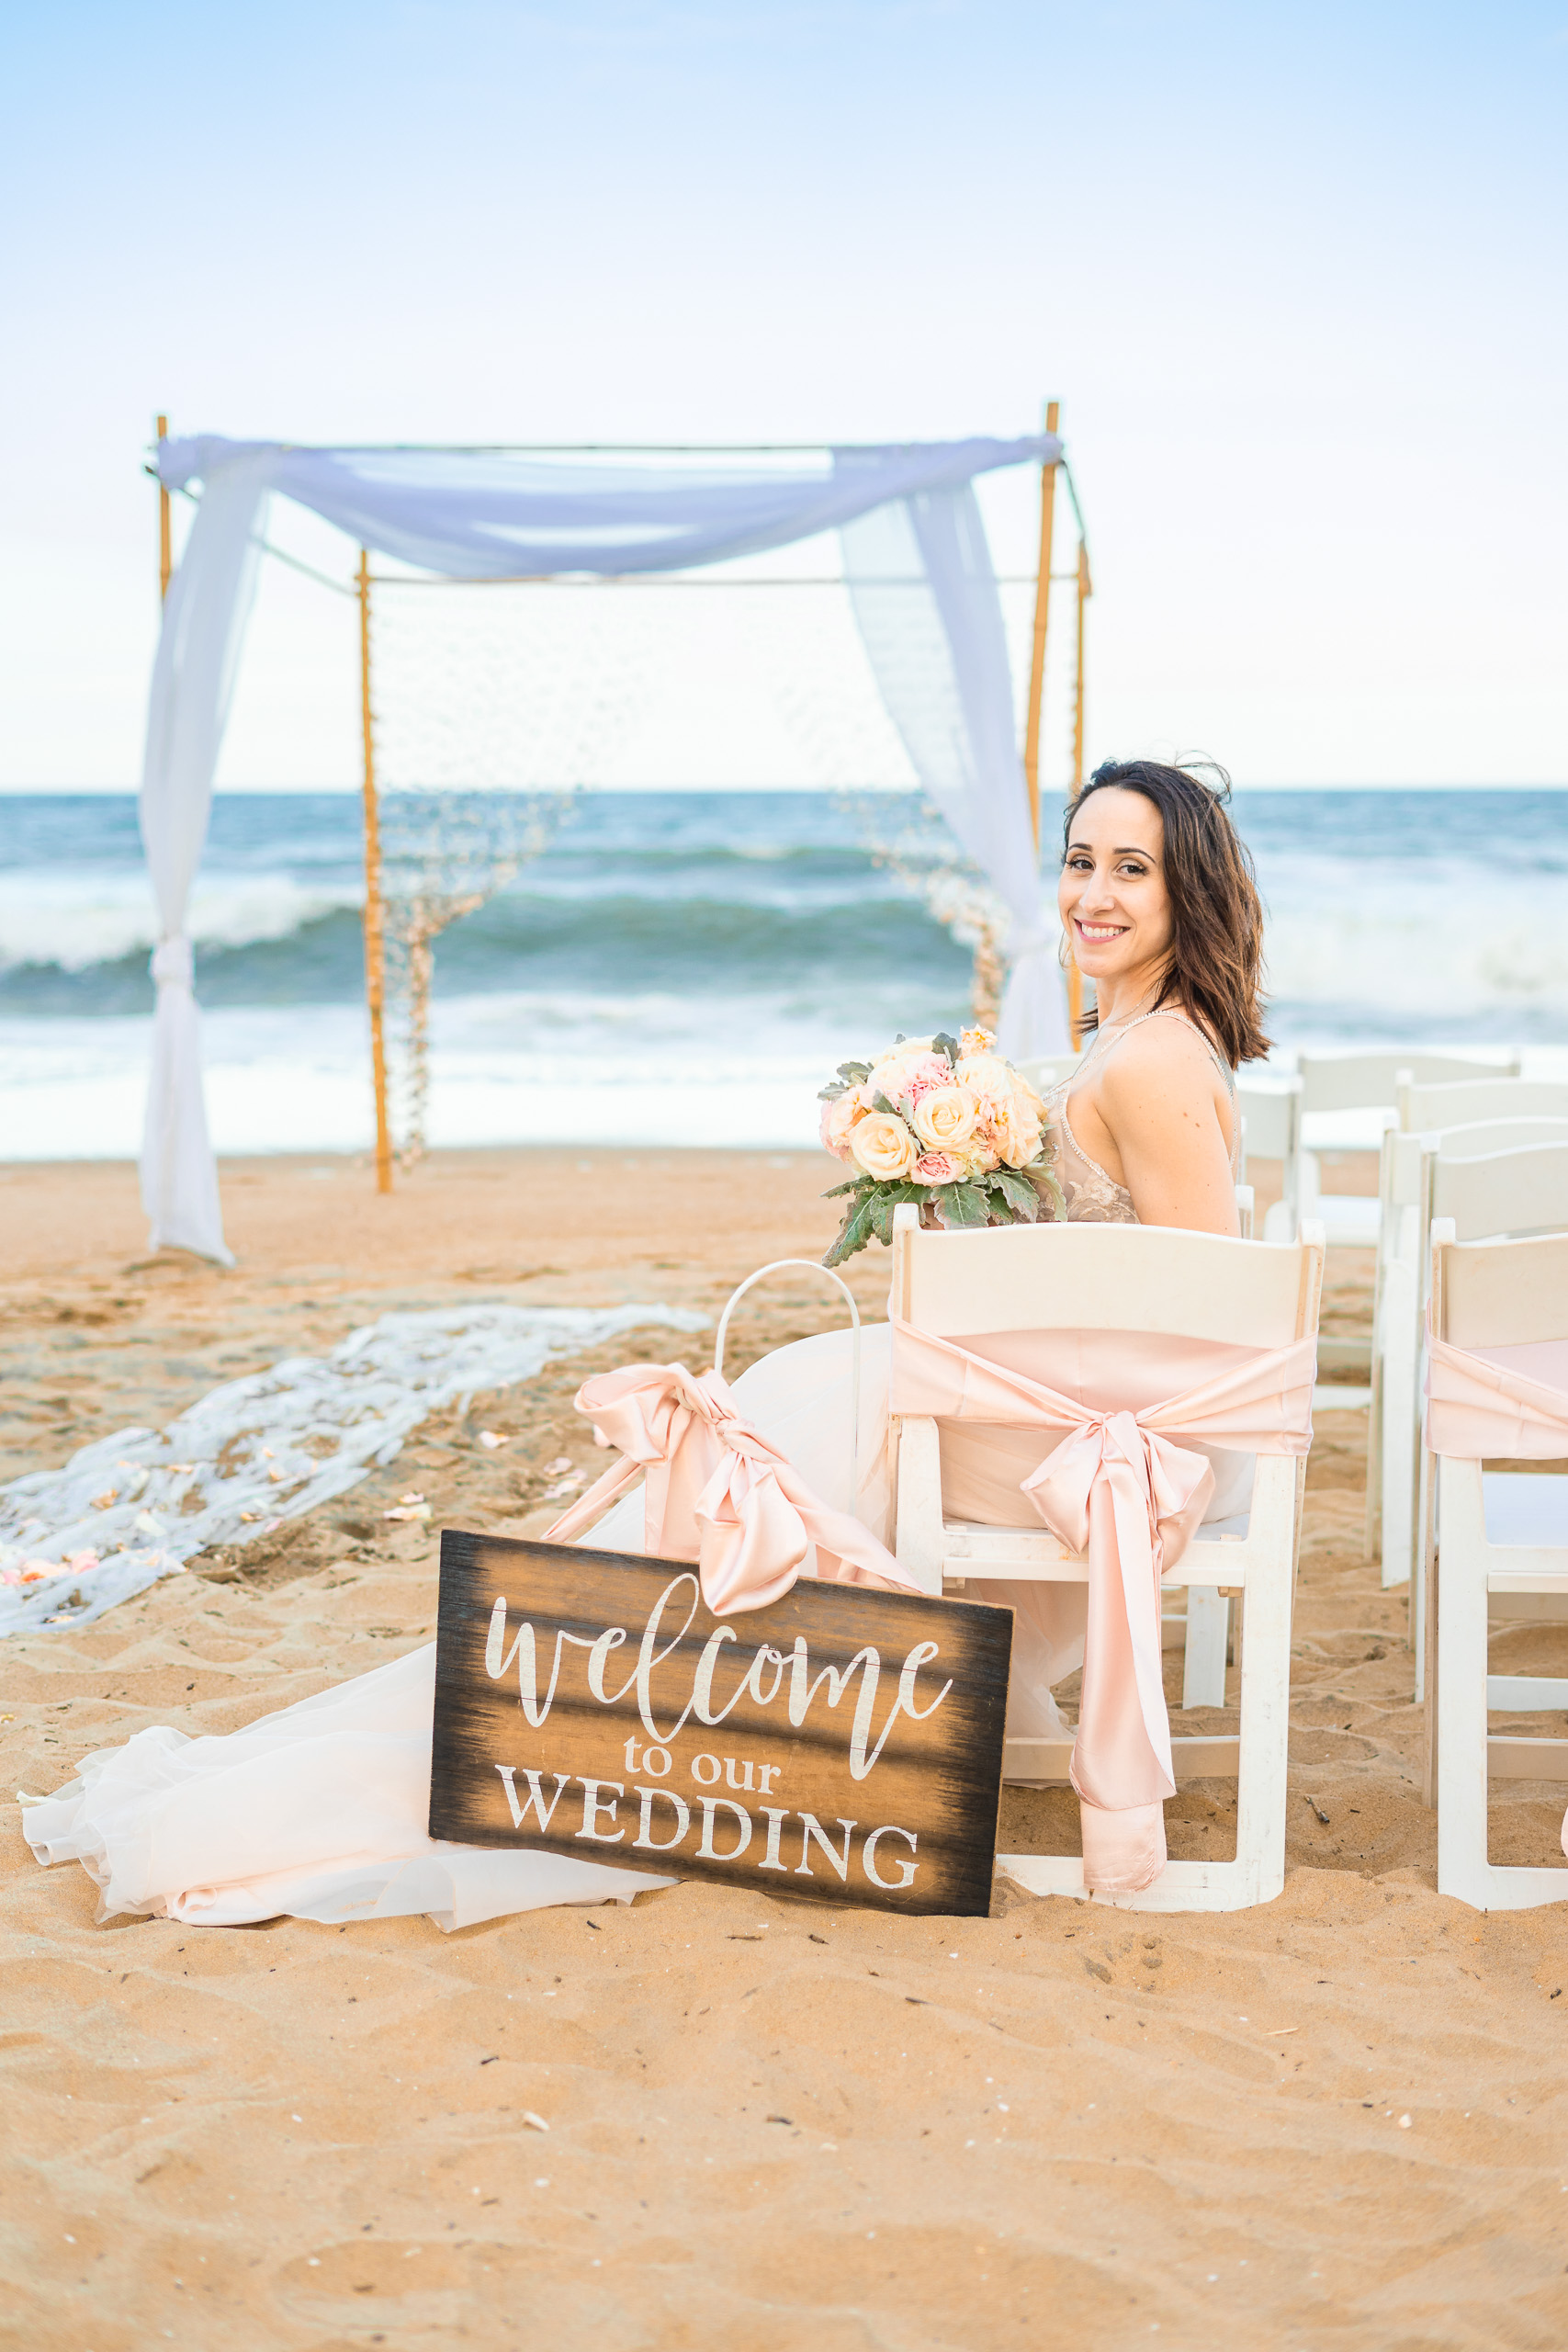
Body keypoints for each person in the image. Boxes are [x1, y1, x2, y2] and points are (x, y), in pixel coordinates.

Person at [25, 758, 1271, 1930]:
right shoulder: (1131, 1042)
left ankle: (607, 1721)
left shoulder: (1151, 1064)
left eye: (1131, 870)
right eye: (1079, 861)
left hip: (1125, 1431)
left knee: (789, 1422)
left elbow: (1193, 1318)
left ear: (1186, 892)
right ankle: (611, 1711)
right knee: (788, 1409)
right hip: (1073, 1397)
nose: (1092, 895)